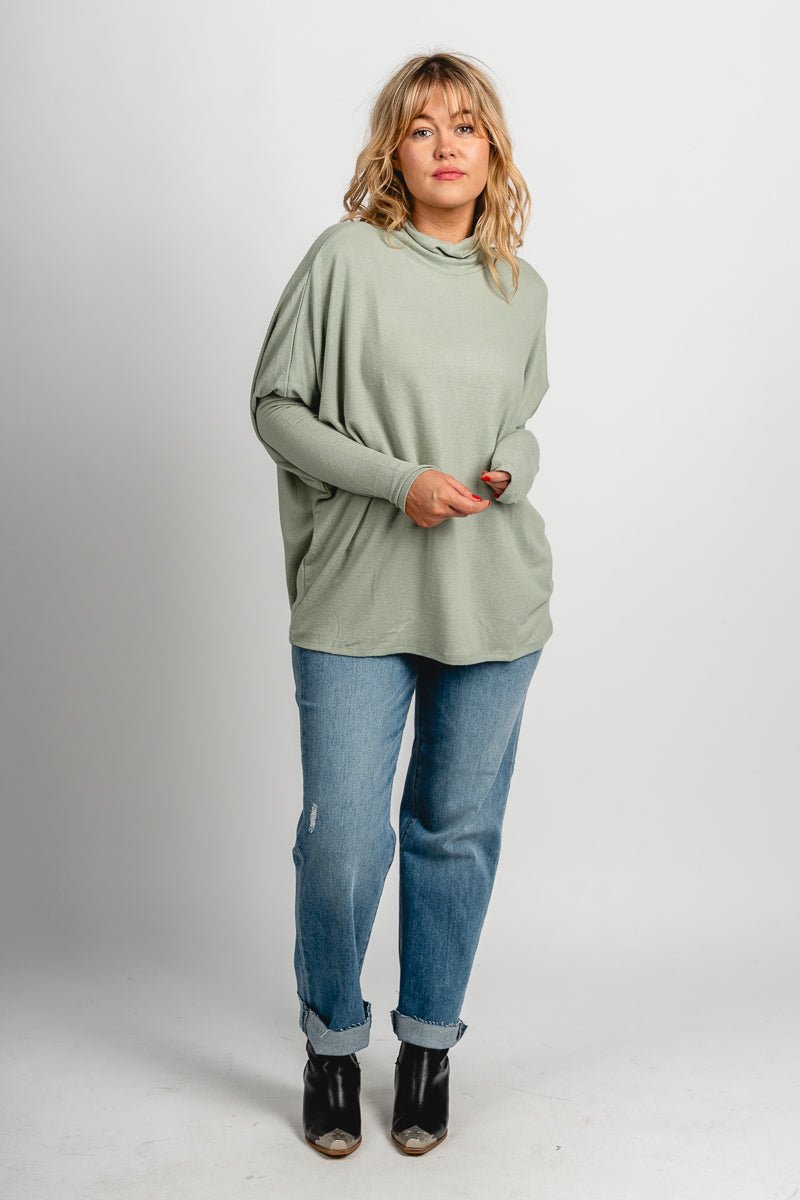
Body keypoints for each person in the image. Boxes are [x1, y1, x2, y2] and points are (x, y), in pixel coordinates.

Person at [249, 50, 554, 1157]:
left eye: (464, 125)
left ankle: (427, 1046)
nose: (444, 145)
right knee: (342, 840)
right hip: (358, 596)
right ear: (394, 149)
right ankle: (333, 1045)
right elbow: (275, 406)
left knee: (455, 834)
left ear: (492, 149)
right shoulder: (344, 260)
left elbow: (519, 421)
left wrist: (511, 465)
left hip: (491, 595)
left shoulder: (520, 288)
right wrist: (396, 483)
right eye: (421, 127)